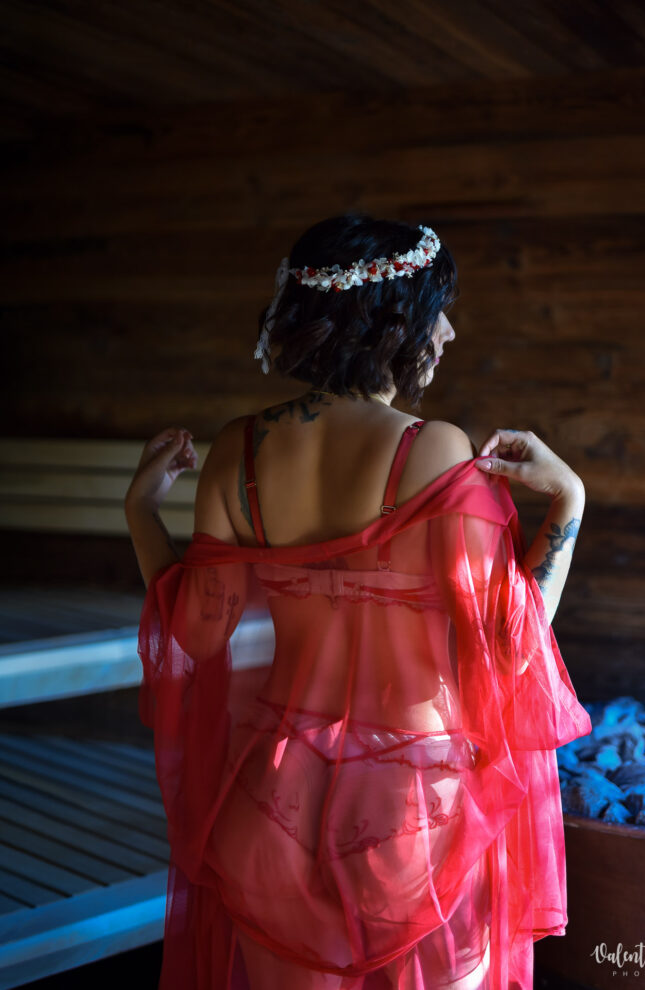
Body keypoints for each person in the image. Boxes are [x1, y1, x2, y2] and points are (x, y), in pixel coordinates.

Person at [125, 214, 592, 990]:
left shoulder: (237, 450)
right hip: (409, 804)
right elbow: (514, 645)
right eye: (438, 311)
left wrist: (141, 512)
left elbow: (197, 634)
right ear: (393, 320)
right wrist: (568, 498)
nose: (448, 332)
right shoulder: (431, 449)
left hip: (269, 792)